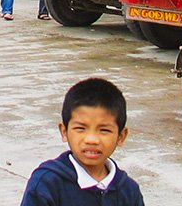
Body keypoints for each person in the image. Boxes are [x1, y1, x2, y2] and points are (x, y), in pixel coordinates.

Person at [20, 78, 143, 206]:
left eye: (104, 130)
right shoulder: (47, 183)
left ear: (121, 136)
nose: (92, 140)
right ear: (64, 131)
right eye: (80, 128)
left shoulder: (129, 190)